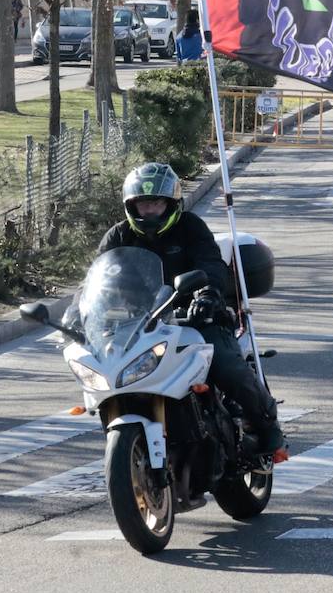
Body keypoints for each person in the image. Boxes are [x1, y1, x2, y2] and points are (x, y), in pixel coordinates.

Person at [98, 163, 282, 455]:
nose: (149, 211)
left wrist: (207, 294)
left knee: (226, 367)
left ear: (171, 204)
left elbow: (210, 263)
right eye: (143, 204)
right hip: (140, 326)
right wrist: (92, 314)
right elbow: (101, 279)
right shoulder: (118, 237)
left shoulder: (190, 227)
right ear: (131, 206)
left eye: (156, 203)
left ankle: (268, 425)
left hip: (195, 318)